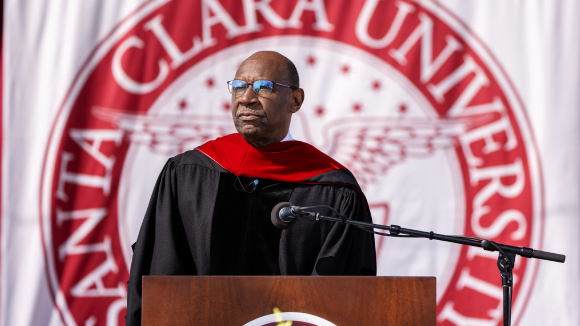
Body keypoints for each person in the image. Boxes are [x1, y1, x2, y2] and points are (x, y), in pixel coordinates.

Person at [126, 51, 376, 325]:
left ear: (295, 100)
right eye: (238, 87)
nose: (246, 99)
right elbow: (159, 269)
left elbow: (345, 293)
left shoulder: (333, 190)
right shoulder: (188, 173)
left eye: (263, 87)